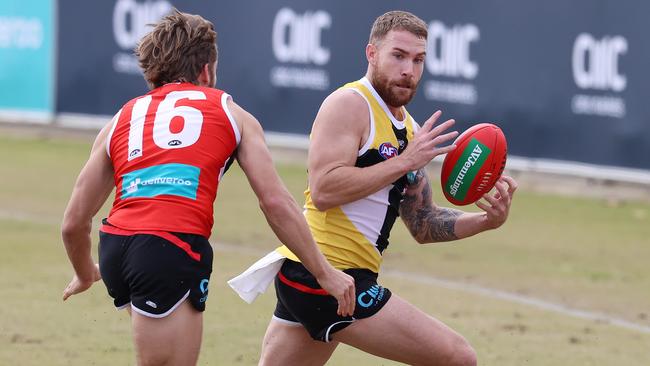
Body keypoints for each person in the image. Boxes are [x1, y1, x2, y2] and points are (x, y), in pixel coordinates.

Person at [60, 10, 355, 366]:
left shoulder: (121, 118)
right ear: (206, 70)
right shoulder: (233, 113)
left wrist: (84, 272)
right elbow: (275, 202)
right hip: (169, 247)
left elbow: (74, 222)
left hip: (116, 249)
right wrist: (325, 272)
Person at [253, 10, 517, 366]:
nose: (409, 69)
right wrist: (405, 161)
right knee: (459, 357)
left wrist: (487, 221)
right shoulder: (350, 104)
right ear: (371, 53)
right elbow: (324, 189)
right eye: (398, 55)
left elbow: (424, 223)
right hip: (328, 273)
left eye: (418, 59)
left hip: (325, 276)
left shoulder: (410, 131)